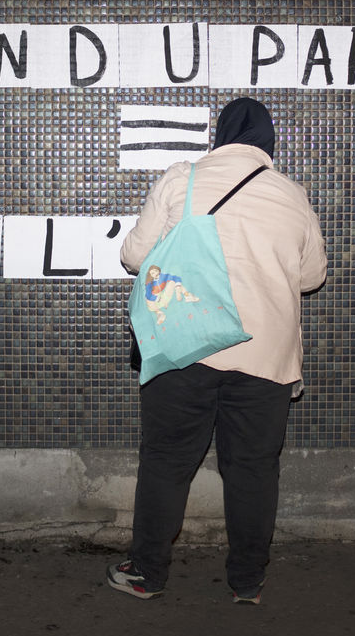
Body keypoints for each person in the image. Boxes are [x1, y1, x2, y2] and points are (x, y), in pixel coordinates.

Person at [107, 97, 327, 605]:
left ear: (220, 136)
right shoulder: (291, 195)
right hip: (264, 354)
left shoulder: (181, 179)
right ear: (268, 141)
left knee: (166, 462)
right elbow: (312, 276)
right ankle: (247, 581)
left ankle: (147, 573)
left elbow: (134, 256)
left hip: (185, 346)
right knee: (253, 469)